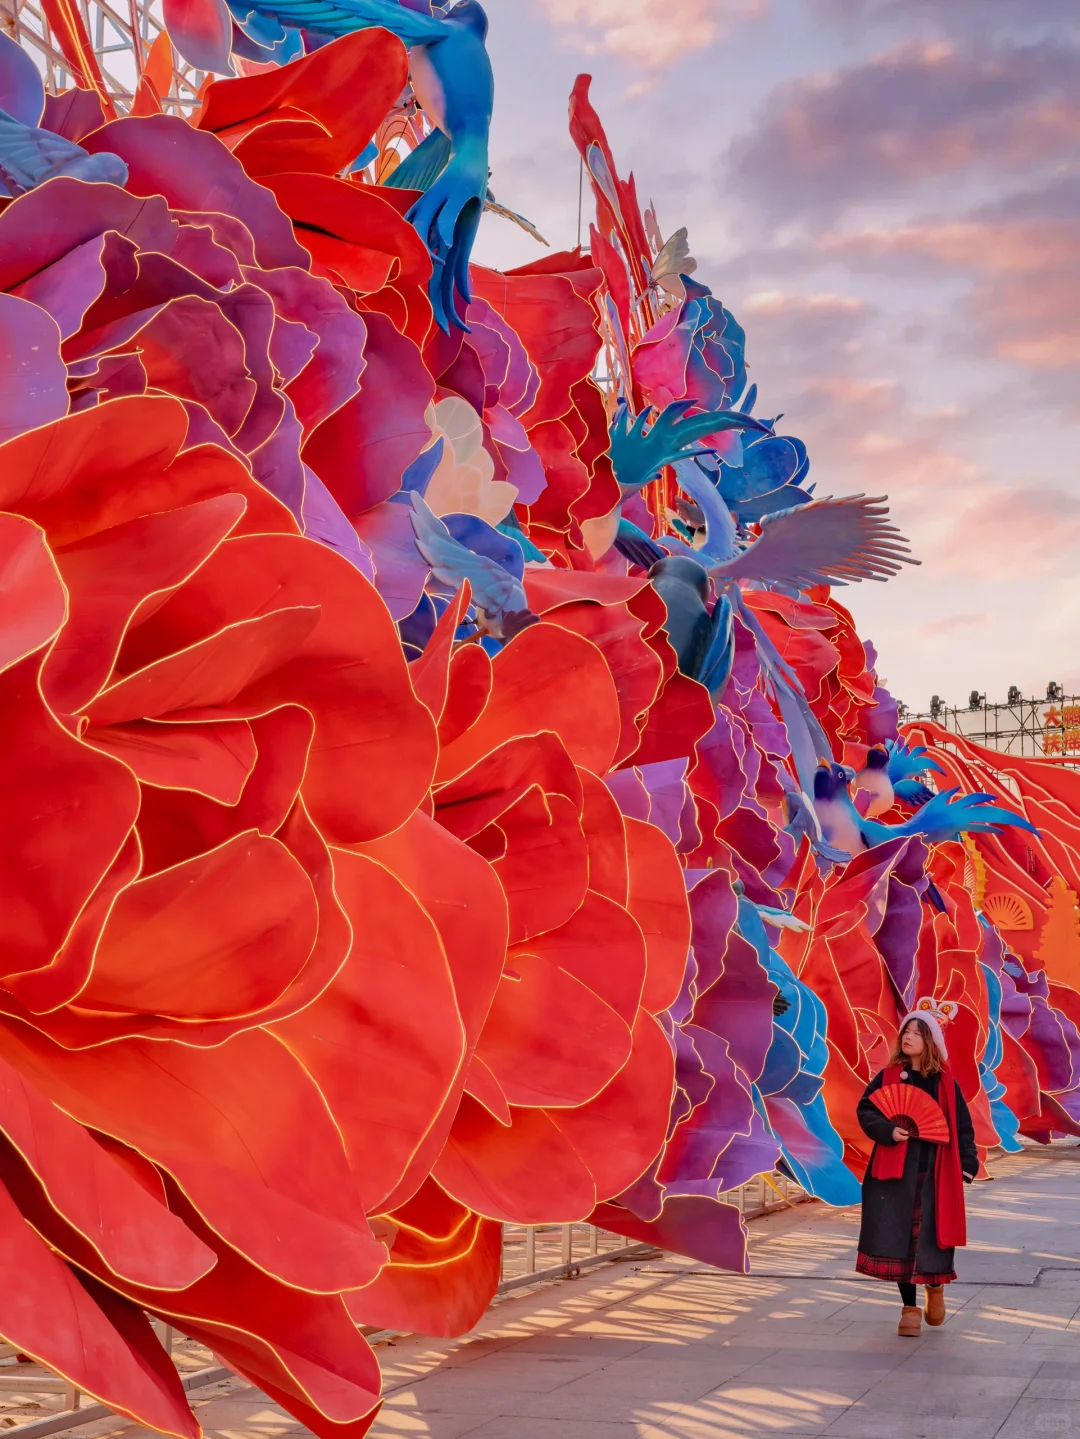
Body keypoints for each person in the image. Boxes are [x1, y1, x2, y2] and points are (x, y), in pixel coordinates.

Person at [855, 1000, 979, 1337]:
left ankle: (935, 1289)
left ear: (931, 1041)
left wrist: (967, 1164)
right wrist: (886, 1130)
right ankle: (908, 1308)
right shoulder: (888, 1077)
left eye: (916, 1032)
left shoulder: (944, 1083)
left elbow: (962, 1127)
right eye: (905, 1031)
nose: (908, 1036)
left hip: (934, 1173)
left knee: (930, 1238)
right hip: (894, 1174)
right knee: (897, 1239)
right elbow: (866, 1110)